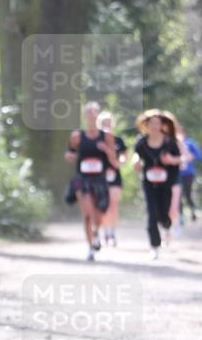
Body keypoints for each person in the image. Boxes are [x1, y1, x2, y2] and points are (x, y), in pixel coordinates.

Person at [64, 101, 118, 261]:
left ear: (98, 116)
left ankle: (96, 234)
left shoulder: (106, 136)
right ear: (84, 116)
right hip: (83, 178)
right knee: (87, 214)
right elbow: (70, 152)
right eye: (88, 114)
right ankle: (90, 248)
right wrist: (70, 156)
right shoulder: (77, 136)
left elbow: (114, 158)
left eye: (94, 114)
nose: (91, 117)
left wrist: (106, 150)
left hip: (99, 178)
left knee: (99, 213)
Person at [132, 109, 181, 260]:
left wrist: (171, 160)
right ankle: (154, 246)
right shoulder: (142, 141)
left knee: (163, 214)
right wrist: (136, 161)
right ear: (147, 125)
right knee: (151, 213)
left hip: (166, 182)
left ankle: (167, 226)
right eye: (151, 123)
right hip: (148, 182)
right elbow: (136, 155)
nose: (154, 126)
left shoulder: (169, 142)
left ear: (162, 125)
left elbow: (179, 158)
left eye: (157, 123)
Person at [96, 110, 127, 247]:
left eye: (109, 122)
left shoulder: (118, 141)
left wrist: (115, 157)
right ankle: (104, 233)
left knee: (113, 205)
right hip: (98, 177)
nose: (106, 125)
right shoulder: (96, 140)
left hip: (114, 176)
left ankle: (112, 233)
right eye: (104, 123)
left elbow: (122, 157)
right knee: (101, 205)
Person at [161, 111, 182, 243]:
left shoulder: (176, 140)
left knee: (172, 207)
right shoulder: (153, 139)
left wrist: (172, 160)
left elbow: (184, 157)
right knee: (162, 206)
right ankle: (166, 230)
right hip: (159, 179)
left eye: (166, 123)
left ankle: (174, 222)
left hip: (174, 177)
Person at [177, 124, 202, 222]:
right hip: (177, 173)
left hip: (188, 173)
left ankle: (193, 212)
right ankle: (181, 215)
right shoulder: (173, 143)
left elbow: (199, 155)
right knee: (178, 194)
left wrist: (189, 156)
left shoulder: (189, 143)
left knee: (187, 194)